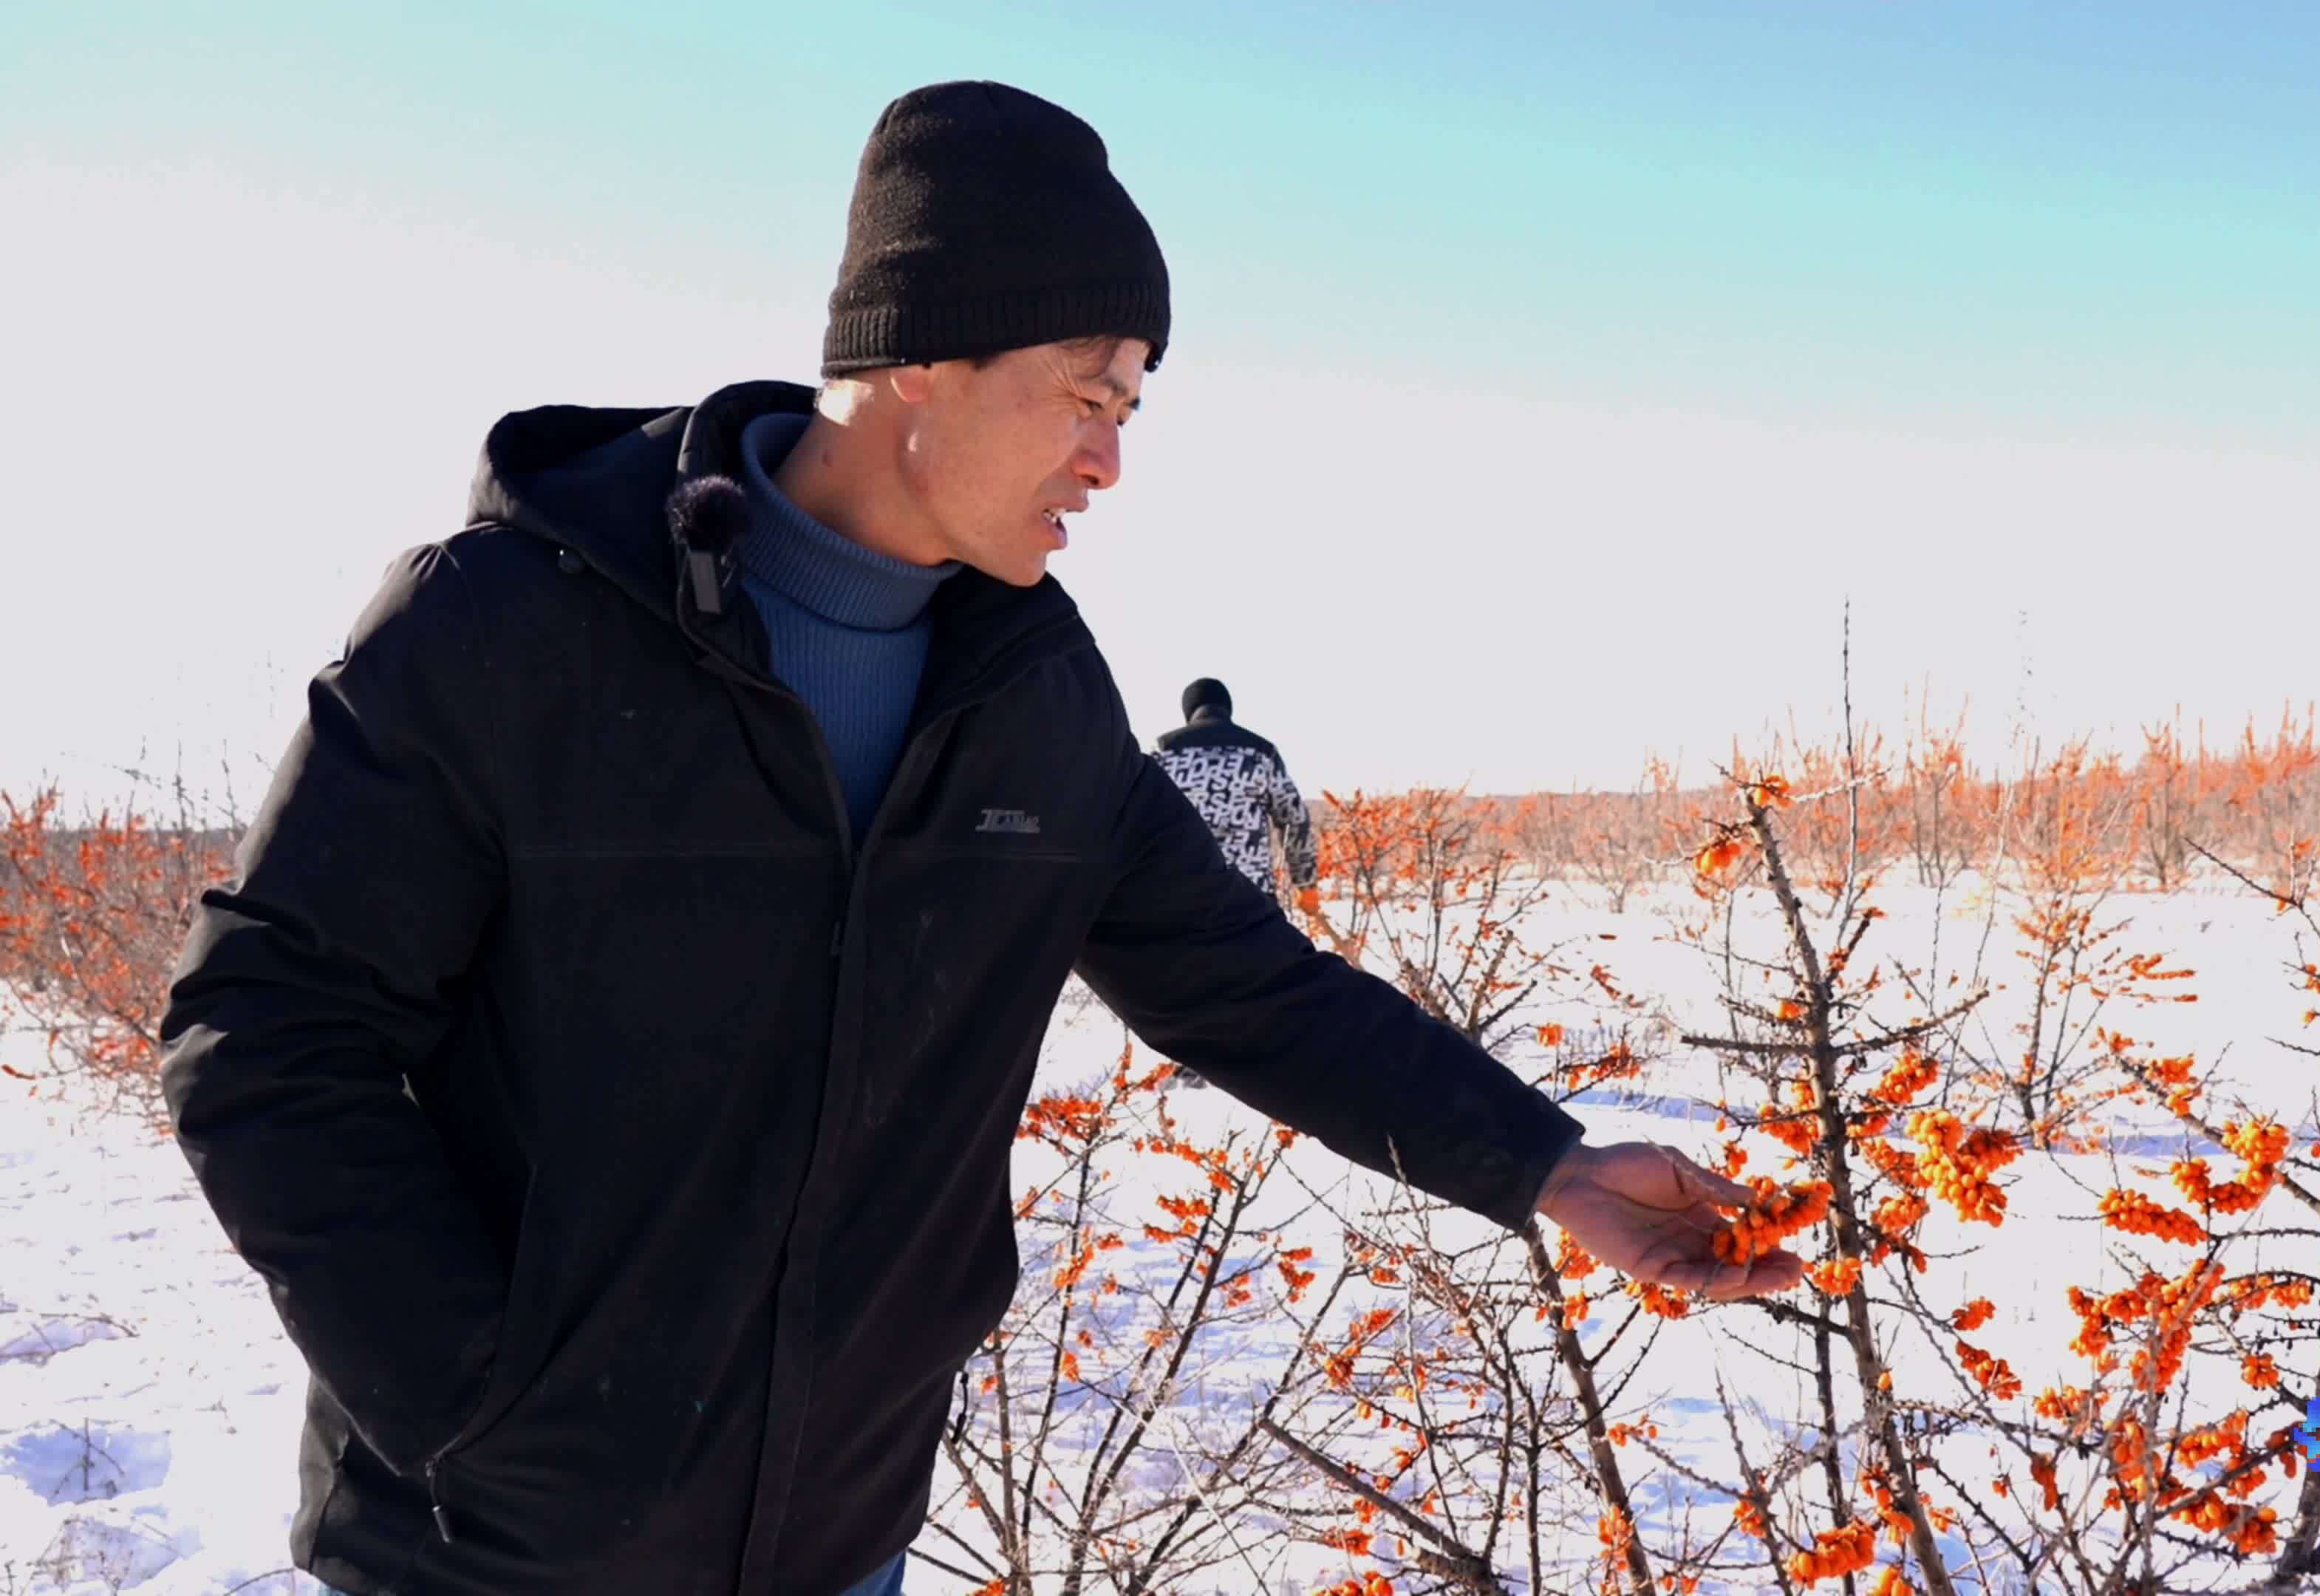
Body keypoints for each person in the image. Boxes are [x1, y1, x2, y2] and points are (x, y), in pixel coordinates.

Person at [158, 81, 1804, 1596]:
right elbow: (267, 1028)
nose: (1111, 458)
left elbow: (1251, 990)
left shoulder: (1030, 691)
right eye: (1086, 394)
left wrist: (1549, 1165)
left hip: (837, 1540)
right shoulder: (516, 627)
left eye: (1132, 406)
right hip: (486, 1557)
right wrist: (472, 1410)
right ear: (918, 360)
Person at [1149, 677, 1317, 907]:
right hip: (1251, 899)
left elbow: (1141, 821)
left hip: (1181, 897)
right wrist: (1305, 885)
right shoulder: (1260, 752)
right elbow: (1294, 819)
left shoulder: (1163, 752)